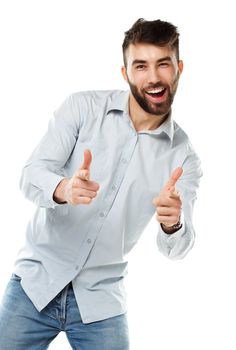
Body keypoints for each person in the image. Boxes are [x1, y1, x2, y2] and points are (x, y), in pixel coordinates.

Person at [0, 18, 202, 350]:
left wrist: (173, 223)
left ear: (178, 69)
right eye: (141, 66)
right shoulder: (81, 108)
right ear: (126, 74)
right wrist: (63, 189)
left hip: (102, 301)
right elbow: (31, 174)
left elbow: (179, 246)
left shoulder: (184, 158)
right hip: (35, 284)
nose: (153, 77)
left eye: (163, 64)